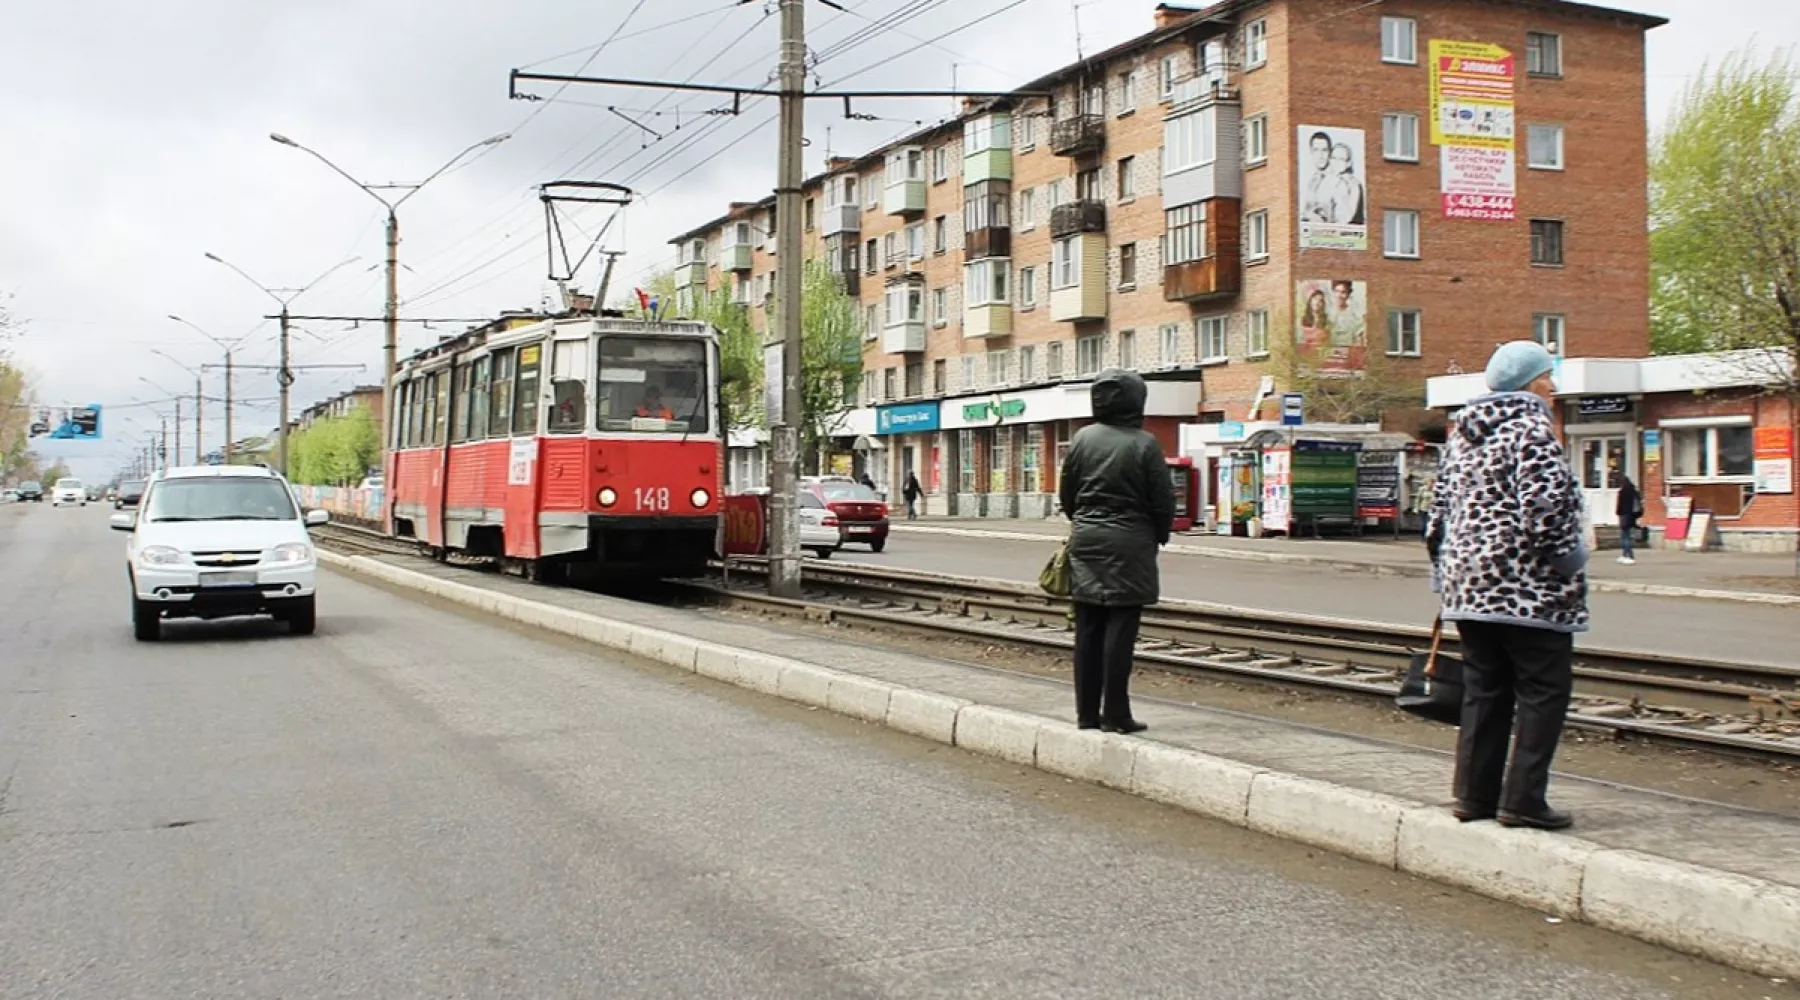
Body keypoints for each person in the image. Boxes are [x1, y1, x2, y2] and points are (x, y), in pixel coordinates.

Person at [1428, 341, 1587, 831]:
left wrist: (1450, 571)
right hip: (1527, 587)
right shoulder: (1531, 430)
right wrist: (1568, 561)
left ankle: (1473, 796)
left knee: (1484, 688)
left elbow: (1436, 518)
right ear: (1527, 383)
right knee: (1544, 689)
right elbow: (1546, 511)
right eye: (1547, 377)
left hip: (1468, 588)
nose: (1553, 387)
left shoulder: (1460, 437)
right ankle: (1522, 800)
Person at [1058, 369, 1176, 734]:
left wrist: (1083, 522)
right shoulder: (1144, 443)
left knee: (1087, 628)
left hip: (1087, 539)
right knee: (1121, 630)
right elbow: (1162, 500)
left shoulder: (1082, 439)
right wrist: (1158, 534)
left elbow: (1068, 493)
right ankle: (1116, 714)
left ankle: (1086, 713)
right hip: (1130, 542)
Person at [1615, 470, 1643, 565]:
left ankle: (1629, 556)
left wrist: (1618, 513)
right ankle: (1625, 555)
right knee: (1626, 536)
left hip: (1624, 516)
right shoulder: (1634, 490)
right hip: (1632, 516)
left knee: (1625, 536)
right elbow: (1639, 504)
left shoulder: (1623, 491)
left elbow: (1620, 506)